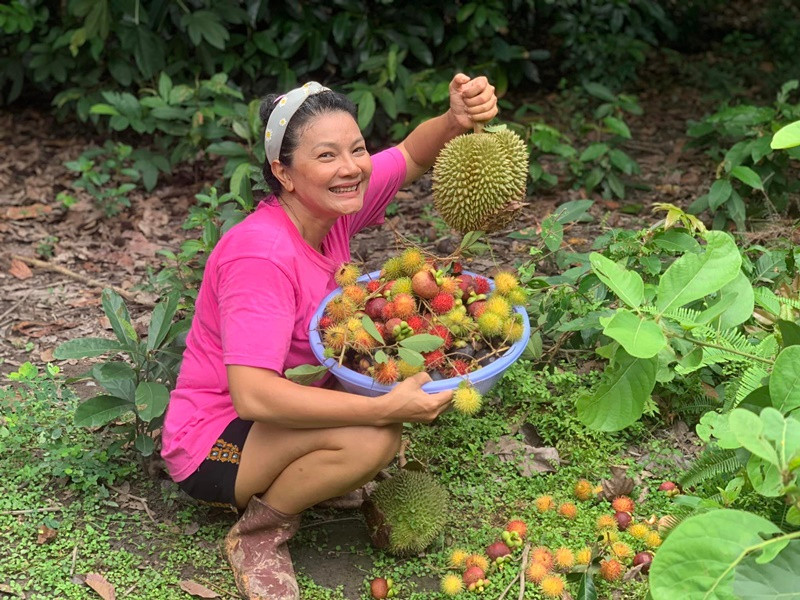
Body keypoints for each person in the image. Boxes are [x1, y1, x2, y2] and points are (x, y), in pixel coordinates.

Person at [161, 73, 499, 600]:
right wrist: (384, 410)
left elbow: (412, 153)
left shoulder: (330, 212)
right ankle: (258, 535)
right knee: (376, 439)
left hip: (280, 412)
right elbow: (252, 396)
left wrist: (457, 121)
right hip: (213, 444)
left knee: (387, 357)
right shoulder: (262, 255)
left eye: (358, 149)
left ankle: (308, 471)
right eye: (326, 156)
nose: (350, 168)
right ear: (284, 172)